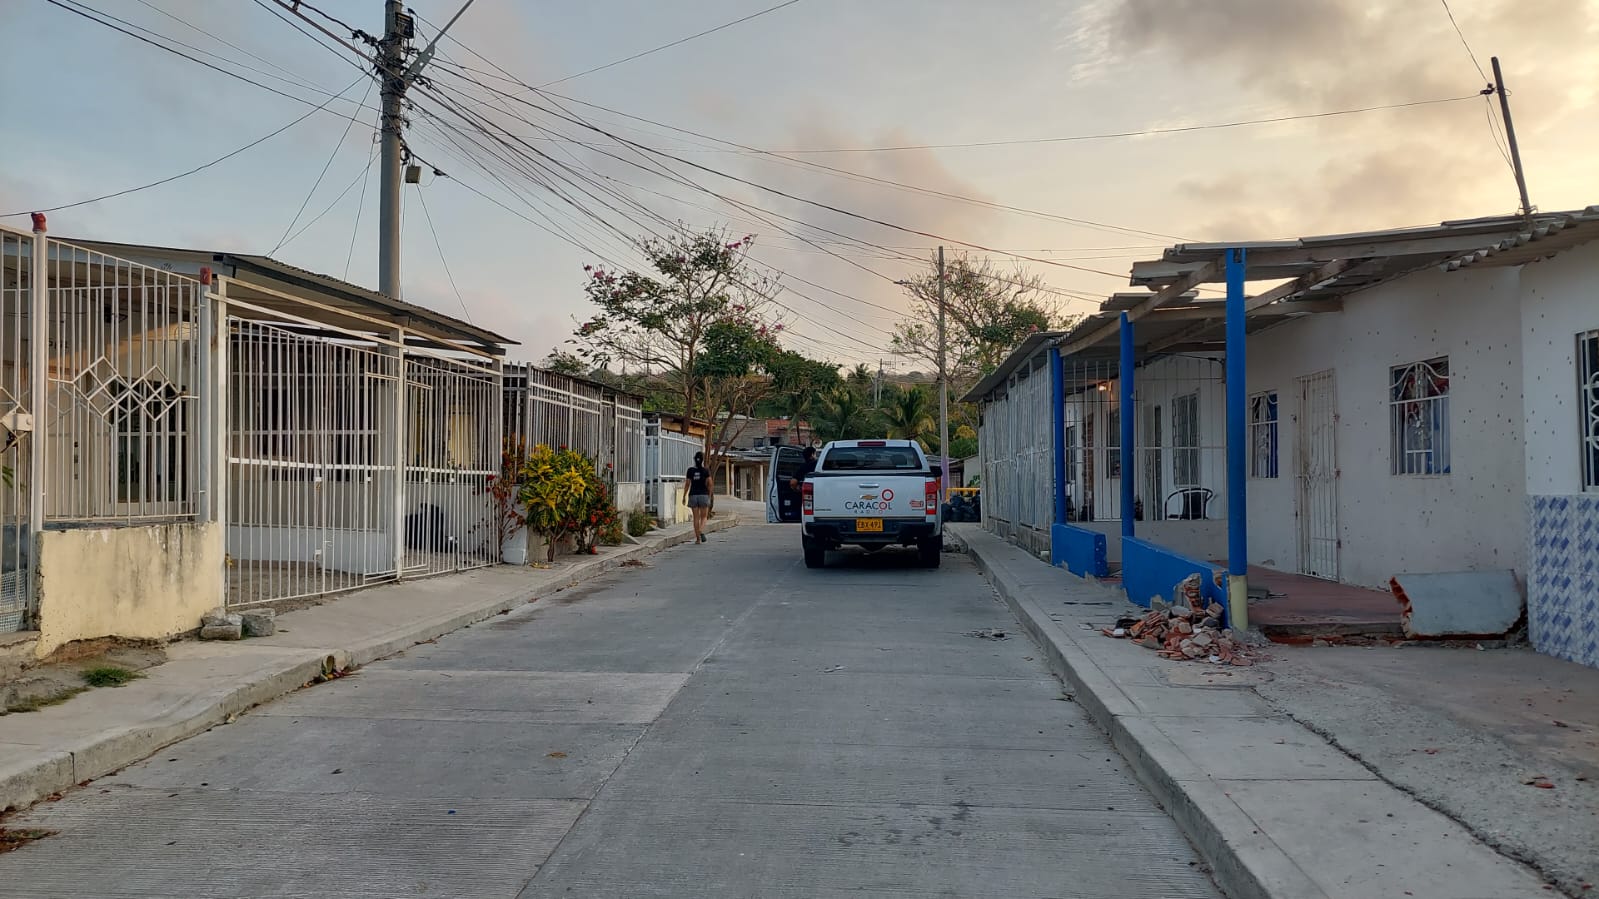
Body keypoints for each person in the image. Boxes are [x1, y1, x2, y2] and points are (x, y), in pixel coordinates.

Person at [685, 451, 714, 543]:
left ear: (694, 459)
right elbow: (710, 484)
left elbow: (687, 484)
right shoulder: (706, 471)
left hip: (693, 495)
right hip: (703, 495)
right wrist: (709, 495)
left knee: (696, 518)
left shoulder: (690, 470)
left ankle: (698, 539)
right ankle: (701, 531)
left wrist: (684, 495)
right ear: (702, 460)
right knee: (704, 517)